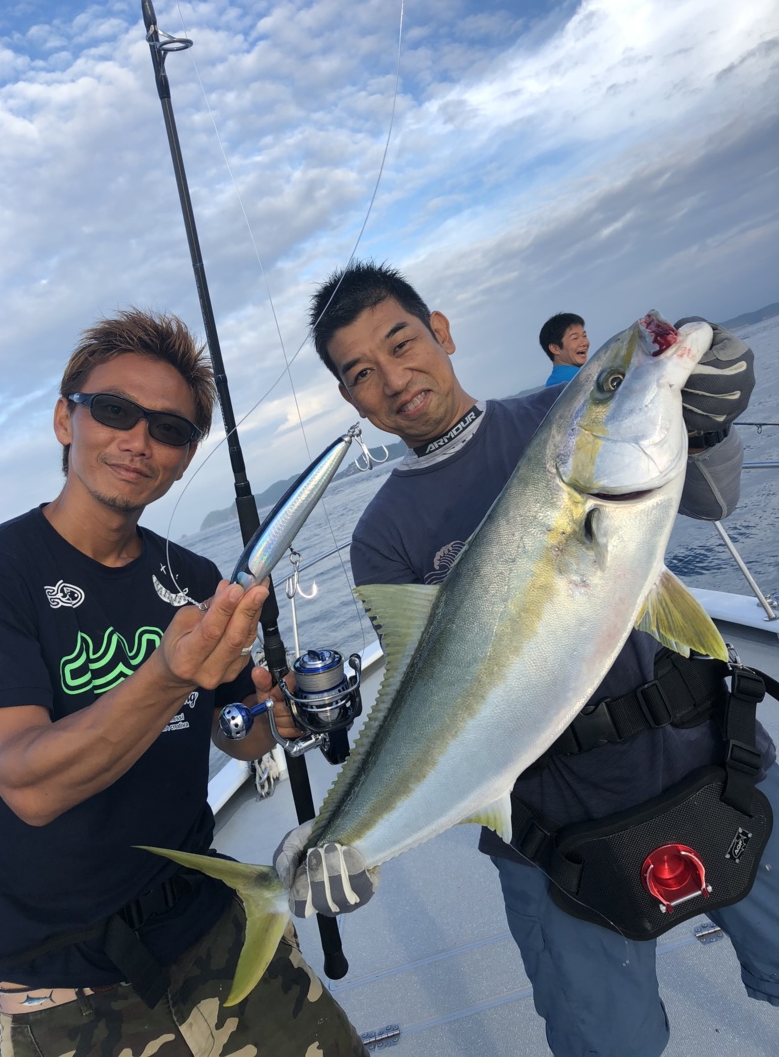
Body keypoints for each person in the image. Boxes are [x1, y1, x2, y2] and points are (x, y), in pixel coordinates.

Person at [295, 260, 778, 1057]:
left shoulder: (562, 411)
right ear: (351, 398)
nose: (394, 377)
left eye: (403, 341)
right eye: (361, 373)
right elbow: (428, 695)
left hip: (714, 764)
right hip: (557, 835)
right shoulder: (382, 534)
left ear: (441, 331)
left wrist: (712, 425)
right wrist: (351, 838)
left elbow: (715, 502)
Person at [0, 309, 367, 1057]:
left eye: (170, 429)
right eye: (116, 412)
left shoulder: (190, 579)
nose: (138, 441)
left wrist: (274, 718)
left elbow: (230, 726)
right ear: (67, 418)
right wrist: (168, 673)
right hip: (68, 989)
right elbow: (27, 784)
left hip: (216, 928)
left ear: (185, 459)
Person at [540, 311, 589, 385]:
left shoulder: (552, 382)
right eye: (575, 338)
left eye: (584, 336)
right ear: (555, 348)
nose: (584, 343)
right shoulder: (580, 378)